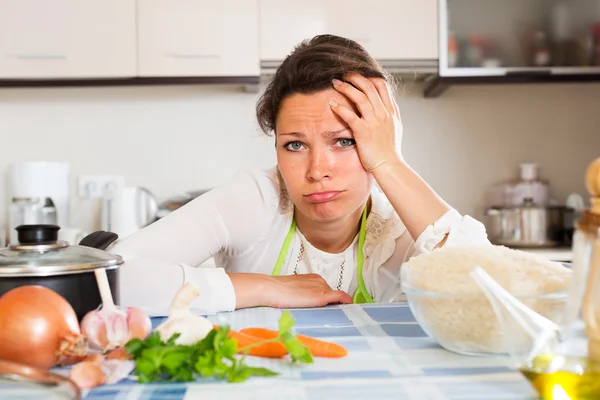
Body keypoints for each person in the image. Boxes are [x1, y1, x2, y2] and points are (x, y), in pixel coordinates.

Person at [111, 34, 491, 316]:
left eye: (343, 141)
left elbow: (494, 294)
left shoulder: (402, 224)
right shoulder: (257, 199)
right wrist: (265, 287)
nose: (317, 170)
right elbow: (109, 279)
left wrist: (390, 162)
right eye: (294, 145)